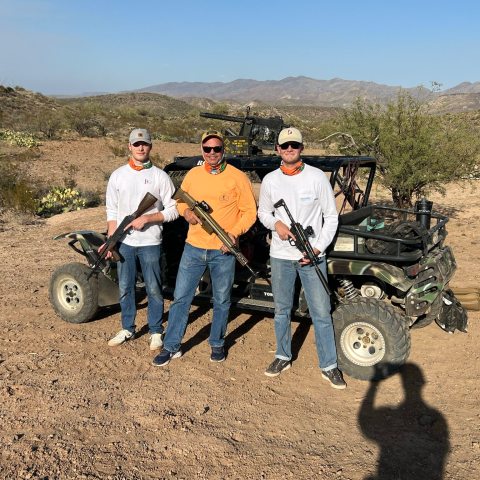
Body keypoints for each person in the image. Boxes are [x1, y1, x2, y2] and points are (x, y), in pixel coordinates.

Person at [153, 130, 257, 366]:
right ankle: (171, 346)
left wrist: (233, 233)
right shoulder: (193, 175)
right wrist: (186, 212)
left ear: (223, 150)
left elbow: (250, 212)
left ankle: (217, 343)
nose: (212, 153)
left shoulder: (238, 177)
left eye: (217, 149)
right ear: (202, 150)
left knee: (221, 300)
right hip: (193, 248)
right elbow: (179, 202)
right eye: (207, 149)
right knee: (181, 298)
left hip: (224, 250)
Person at [257, 127, 346, 389]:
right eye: (284, 146)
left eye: (294, 145)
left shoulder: (317, 178)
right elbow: (263, 213)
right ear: (277, 150)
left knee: (321, 312)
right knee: (282, 310)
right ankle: (282, 355)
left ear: (301, 148)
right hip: (281, 256)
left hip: (312, 257)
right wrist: (277, 225)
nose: (289, 150)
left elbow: (331, 218)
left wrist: (317, 249)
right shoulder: (271, 180)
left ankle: (329, 365)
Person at [105, 128, 178, 350]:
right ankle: (128, 327)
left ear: (150, 146)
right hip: (125, 243)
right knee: (126, 287)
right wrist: (111, 241)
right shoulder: (118, 175)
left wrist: (148, 217)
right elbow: (112, 212)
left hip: (150, 243)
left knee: (154, 288)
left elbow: (174, 209)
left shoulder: (160, 176)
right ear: (129, 147)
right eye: (136, 144)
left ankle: (156, 330)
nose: (140, 148)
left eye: (144, 144)